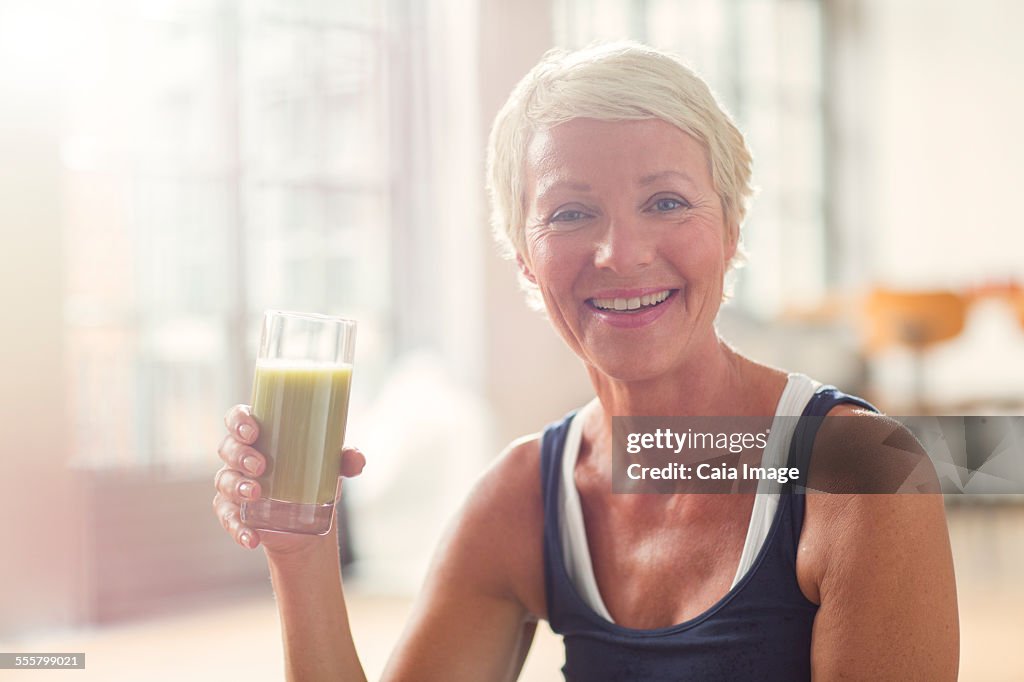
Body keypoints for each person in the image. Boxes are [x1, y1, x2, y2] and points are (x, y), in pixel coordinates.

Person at [213, 41, 959, 680]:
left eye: (666, 202)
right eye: (571, 213)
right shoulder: (524, 497)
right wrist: (299, 551)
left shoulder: (863, 473)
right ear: (525, 260)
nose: (622, 253)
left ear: (731, 229)